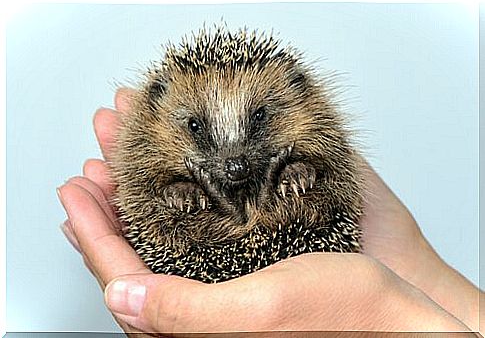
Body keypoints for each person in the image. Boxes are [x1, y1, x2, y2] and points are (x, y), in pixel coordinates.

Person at [57, 88, 482, 336]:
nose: (233, 161)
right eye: (196, 129)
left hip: (295, 227)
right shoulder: (147, 151)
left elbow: (334, 193)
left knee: (312, 196)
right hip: (198, 236)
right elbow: (144, 205)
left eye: (258, 121)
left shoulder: (314, 143)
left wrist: (392, 307)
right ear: (156, 117)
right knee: (169, 210)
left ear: (298, 97)